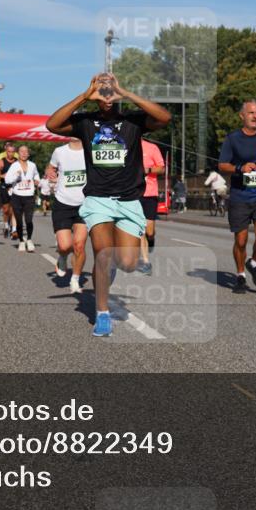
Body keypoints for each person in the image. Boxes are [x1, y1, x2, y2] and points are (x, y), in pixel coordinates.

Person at [46, 72, 171, 337]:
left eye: (110, 88)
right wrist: (83, 95)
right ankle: (102, 313)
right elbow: (52, 125)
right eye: (102, 90)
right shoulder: (86, 122)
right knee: (102, 255)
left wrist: (126, 92)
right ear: (95, 93)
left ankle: (111, 270)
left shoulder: (132, 121)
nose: (107, 94)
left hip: (129, 200)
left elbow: (164, 118)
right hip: (98, 199)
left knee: (126, 262)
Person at [218, 99, 256, 294]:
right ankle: (240, 276)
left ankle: (253, 263)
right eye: (251, 113)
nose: (255, 116)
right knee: (241, 241)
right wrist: (240, 168)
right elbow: (222, 165)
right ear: (242, 116)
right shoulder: (232, 139)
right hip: (240, 196)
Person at [48, 138, 88, 293]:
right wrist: (50, 172)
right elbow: (50, 168)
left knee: (79, 245)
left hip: (85, 204)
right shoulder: (59, 151)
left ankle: (75, 279)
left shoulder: (91, 150)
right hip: (63, 202)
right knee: (65, 246)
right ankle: (63, 257)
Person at [5, 145, 40, 252]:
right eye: (21, 151)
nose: (24, 153)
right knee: (19, 222)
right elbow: (7, 180)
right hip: (17, 197)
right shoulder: (14, 166)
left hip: (29, 196)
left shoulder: (32, 165)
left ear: (28, 154)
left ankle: (29, 240)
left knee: (29, 221)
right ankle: (21, 241)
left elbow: (36, 175)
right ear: (18, 154)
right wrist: (16, 176)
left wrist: (37, 180)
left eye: (26, 152)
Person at [138, 138, 165, 274]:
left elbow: (161, 168)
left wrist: (146, 169)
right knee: (140, 230)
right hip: (133, 194)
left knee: (149, 231)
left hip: (149, 194)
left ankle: (152, 238)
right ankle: (146, 261)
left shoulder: (151, 147)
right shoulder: (124, 147)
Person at [0, 141, 18, 239]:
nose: (10, 154)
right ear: (6, 152)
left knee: (14, 208)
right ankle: (6, 226)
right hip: (4, 185)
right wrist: (1, 175)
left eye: (12, 152)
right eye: (9, 152)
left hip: (14, 187)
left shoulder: (17, 161)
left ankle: (14, 229)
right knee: (6, 209)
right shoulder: (2, 161)